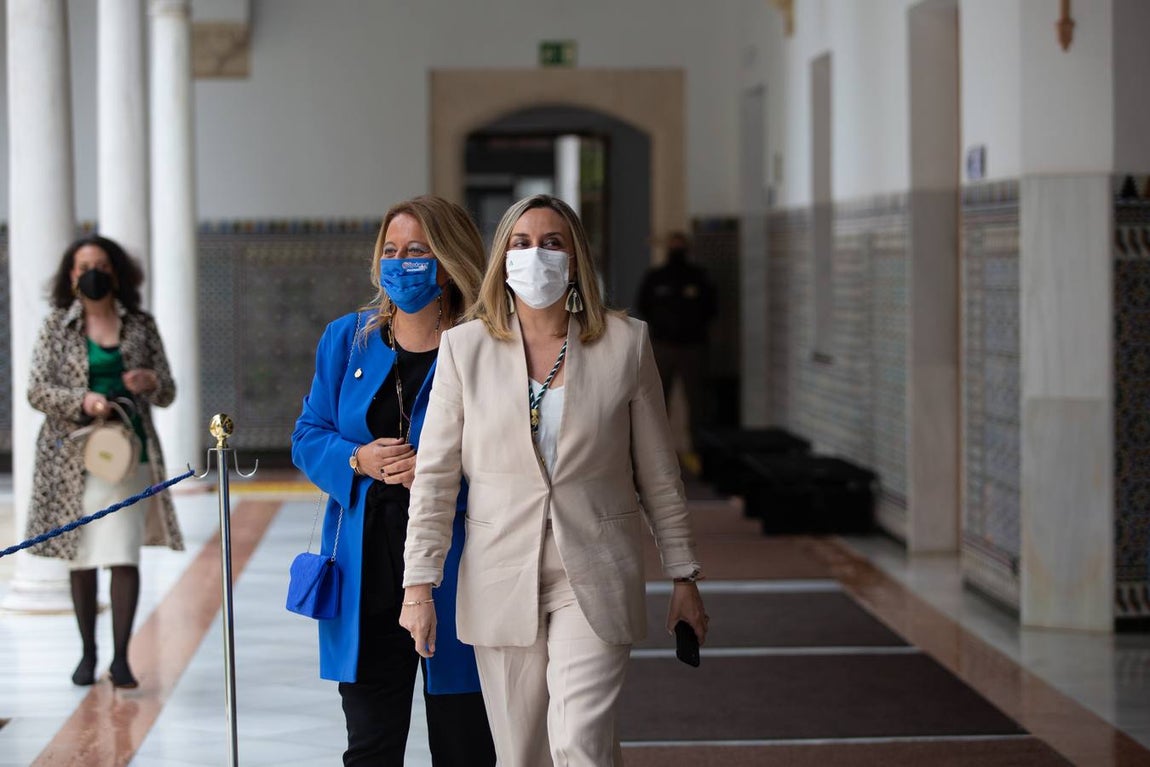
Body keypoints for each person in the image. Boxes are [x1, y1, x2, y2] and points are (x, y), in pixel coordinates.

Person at [400, 194, 709, 767]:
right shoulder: (465, 348)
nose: (535, 255)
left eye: (551, 243)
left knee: (579, 741)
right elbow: (436, 478)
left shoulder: (625, 343)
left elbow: (659, 474)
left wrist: (683, 574)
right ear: (502, 258)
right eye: (520, 243)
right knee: (521, 755)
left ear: (575, 259)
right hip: (500, 573)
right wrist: (418, 587)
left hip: (595, 569)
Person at [291, 195, 496, 766]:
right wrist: (357, 458)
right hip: (366, 569)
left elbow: (511, 458)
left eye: (417, 251)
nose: (400, 263)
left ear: (450, 260)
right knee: (370, 747)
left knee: (465, 745)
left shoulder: (485, 345)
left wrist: (440, 471)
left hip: (456, 567)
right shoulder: (347, 338)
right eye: (391, 250)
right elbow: (308, 435)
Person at [26, 234, 183, 690]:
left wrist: (150, 381)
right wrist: (82, 400)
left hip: (128, 454)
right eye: (82, 267)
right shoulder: (57, 325)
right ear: (70, 276)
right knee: (83, 556)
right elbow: (37, 389)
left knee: (122, 553)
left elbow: (168, 390)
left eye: (100, 265)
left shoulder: (140, 324)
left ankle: (120, 659)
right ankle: (87, 652)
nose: (91, 273)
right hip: (75, 458)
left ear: (116, 272)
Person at [635, 232, 717, 472]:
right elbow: (643, 306)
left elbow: (711, 308)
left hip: (693, 347)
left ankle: (700, 454)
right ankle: (656, 458)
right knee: (656, 402)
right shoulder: (656, 277)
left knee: (698, 402)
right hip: (663, 346)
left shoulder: (699, 277)